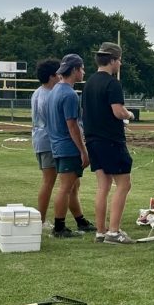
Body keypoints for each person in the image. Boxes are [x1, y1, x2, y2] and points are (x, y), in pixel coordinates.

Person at [82, 42, 136, 245]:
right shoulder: (112, 83)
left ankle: (101, 231)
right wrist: (129, 114)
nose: (120, 63)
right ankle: (113, 232)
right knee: (123, 184)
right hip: (111, 141)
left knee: (103, 186)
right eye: (119, 60)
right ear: (112, 60)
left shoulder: (89, 83)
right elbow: (118, 111)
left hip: (93, 140)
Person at [46, 54, 95, 238]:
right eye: (81, 68)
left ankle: (80, 221)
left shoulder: (54, 91)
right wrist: (83, 151)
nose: (83, 72)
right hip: (68, 147)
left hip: (58, 145)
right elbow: (72, 125)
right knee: (66, 188)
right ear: (74, 70)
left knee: (74, 186)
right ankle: (59, 228)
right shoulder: (69, 94)